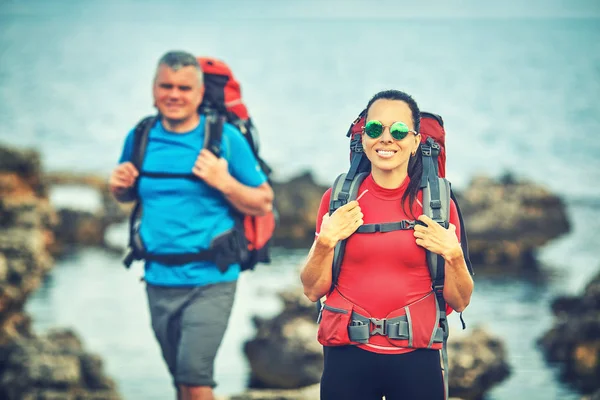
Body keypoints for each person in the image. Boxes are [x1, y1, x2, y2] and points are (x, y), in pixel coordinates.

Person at [109, 51, 274, 400]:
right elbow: (130, 195)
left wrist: (224, 181)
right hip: (157, 278)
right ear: (153, 89)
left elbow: (263, 201)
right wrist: (119, 189)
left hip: (211, 279)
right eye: (166, 85)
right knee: (181, 382)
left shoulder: (224, 138)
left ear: (199, 94)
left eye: (184, 87)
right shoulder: (139, 136)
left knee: (196, 382)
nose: (174, 94)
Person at [300, 89, 474, 400]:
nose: (386, 139)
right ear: (363, 137)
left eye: (398, 131)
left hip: (417, 358)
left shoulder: (436, 205)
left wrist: (454, 255)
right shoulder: (338, 199)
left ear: (415, 141)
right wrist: (325, 242)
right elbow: (313, 290)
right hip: (347, 356)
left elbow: (459, 302)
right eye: (374, 129)